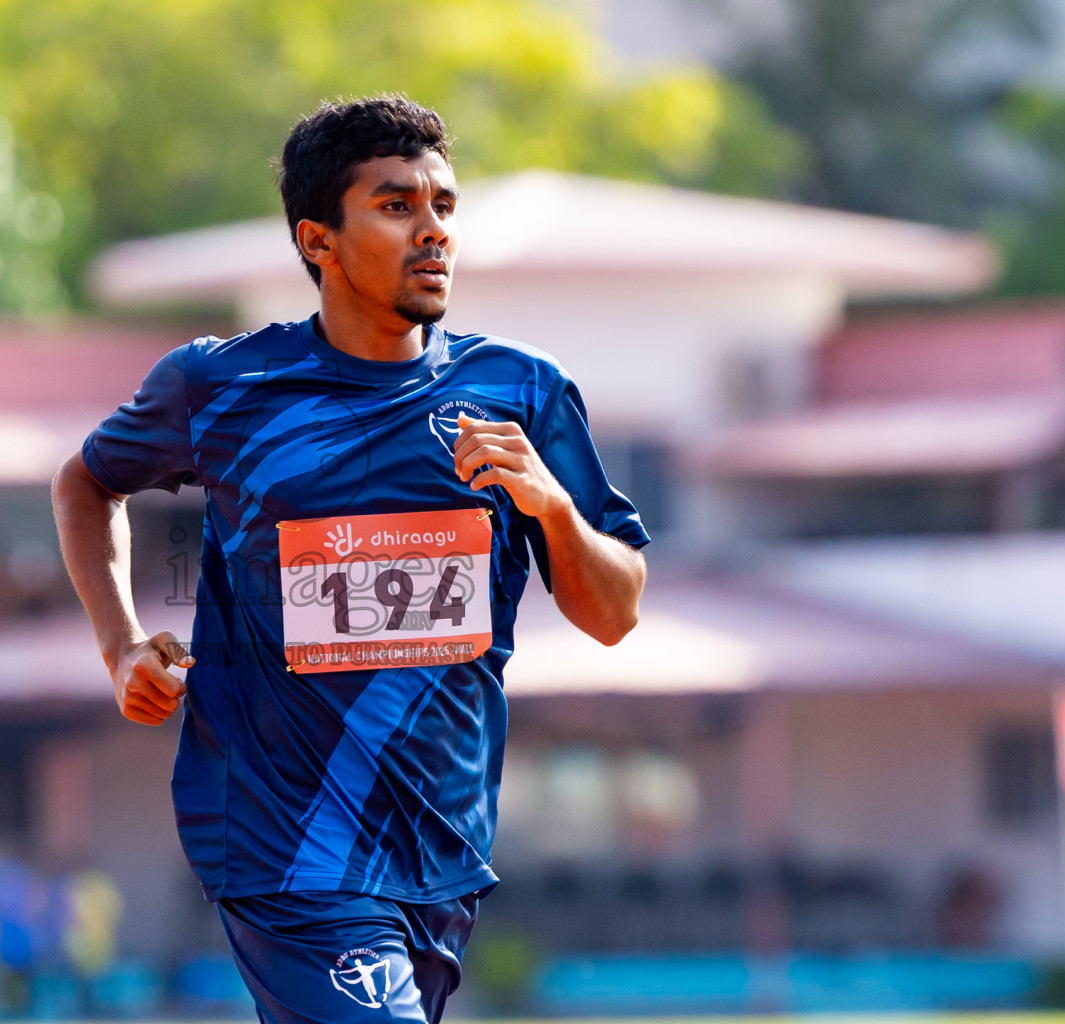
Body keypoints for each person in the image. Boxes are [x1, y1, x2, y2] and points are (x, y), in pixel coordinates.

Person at [52, 95, 648, 1023]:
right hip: (285, 841)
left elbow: (615, 612)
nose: (433, 233)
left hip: (440, 849)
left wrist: (556, 509)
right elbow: (86, 483)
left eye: (445, 207)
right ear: (318, 240)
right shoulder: (223, 388)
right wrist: (121, 643)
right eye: (397, 206)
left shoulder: (520, 390)